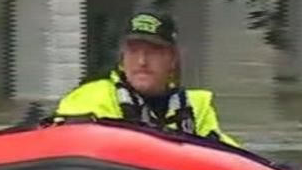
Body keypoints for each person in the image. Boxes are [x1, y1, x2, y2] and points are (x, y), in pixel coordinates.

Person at [52, 11, 239, 146]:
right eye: (133, 51)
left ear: (172, 59)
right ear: (122, 59)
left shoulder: (197, 107)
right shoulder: (90, 97)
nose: (142, 61)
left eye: (153, 52)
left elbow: (232, 158)